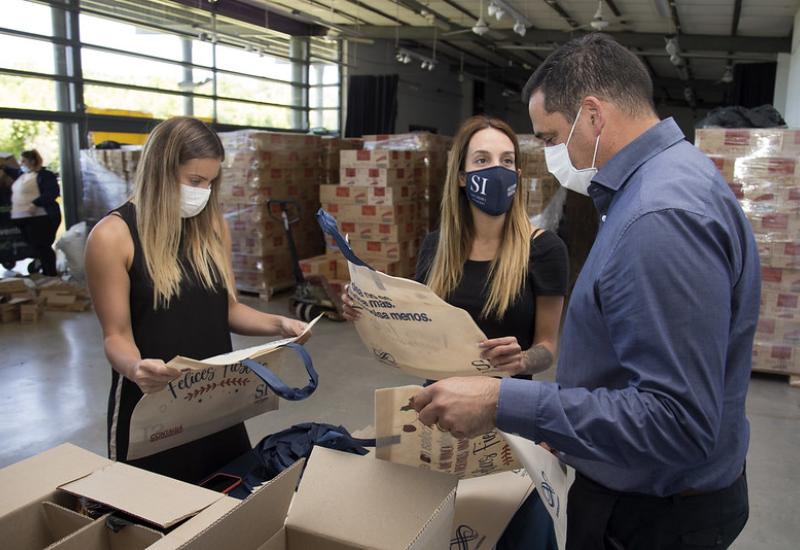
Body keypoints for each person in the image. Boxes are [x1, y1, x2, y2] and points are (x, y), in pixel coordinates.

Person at [410, 33, 759, 550]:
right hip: (648, 494)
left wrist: (507, 399)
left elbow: (678, 420)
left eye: (550, 136)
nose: (550, 154)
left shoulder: (659, 217)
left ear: (592, 116)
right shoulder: (661, 186)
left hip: (653, 514)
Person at [343, 115, 568, 549]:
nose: (496, 170)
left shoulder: (544, 250)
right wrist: (367, 310)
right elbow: (416, 331)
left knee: (511, 533)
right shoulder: (436, 247)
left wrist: (522, 358)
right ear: (463, 177)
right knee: (446, 533)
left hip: (510, 418)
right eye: (482, 160)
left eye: (506, 160)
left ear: (519, 175)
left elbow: (549, 347)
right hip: (439, 414)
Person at [85, 117, 308, 484]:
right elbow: (116, 335)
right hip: (153, 408)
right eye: (194, 181)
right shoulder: (113, 237)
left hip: (213, 398)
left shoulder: (212, 227)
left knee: (225, 494)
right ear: (160, 171)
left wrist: (280, 325)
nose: (203, 192)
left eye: (209, 182)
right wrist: (137, 367)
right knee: (152, 512)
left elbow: (229, 309)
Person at [2, 149, 61, 275]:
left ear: (32, 161)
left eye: (23, 161)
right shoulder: (22, 175)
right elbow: (10, 170)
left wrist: (36, 203)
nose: (21, 163)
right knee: (35, 245)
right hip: (26, 218)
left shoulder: (45, 176)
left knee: (42, 246)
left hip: (41, 217)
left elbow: (52, 193)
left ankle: (49, 274)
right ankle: (41, 265)